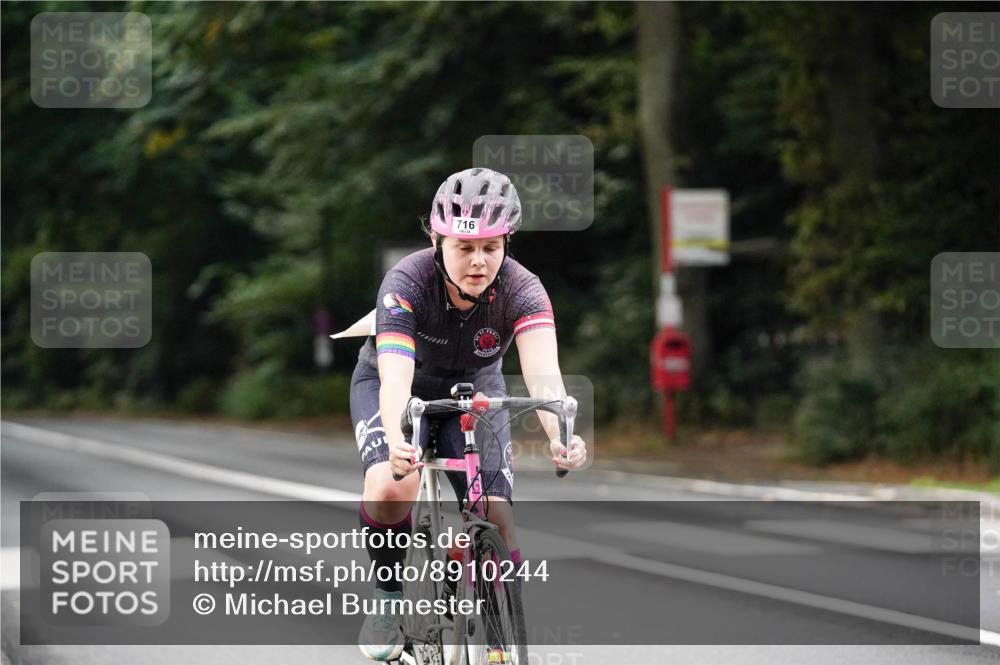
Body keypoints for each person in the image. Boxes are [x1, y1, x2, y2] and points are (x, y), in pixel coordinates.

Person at [350, 167, 587, 661]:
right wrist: (398, 438)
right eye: (464, 247)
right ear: (436, 240)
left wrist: (562, 436)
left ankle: (500, 643)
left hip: (473, 387)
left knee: (496, 516)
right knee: (393, 487)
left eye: (492, 247)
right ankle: (387, 599)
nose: (479, 261)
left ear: (507, 243)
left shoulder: (523, 290)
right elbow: (395, 378)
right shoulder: (407, 282)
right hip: (400, 383)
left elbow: (544, 376)